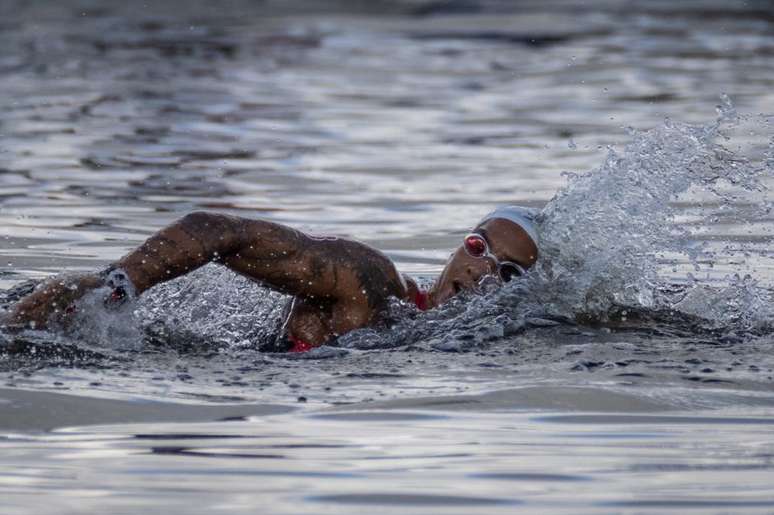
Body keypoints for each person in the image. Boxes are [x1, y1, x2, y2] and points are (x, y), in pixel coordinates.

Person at [3, 206, 539, 352]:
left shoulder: (460, 343)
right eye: (478, 247)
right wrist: (117, 288)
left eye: (508, 273)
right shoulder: (371, 281)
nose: (482, 272)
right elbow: (218, 228)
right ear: (458, 245)